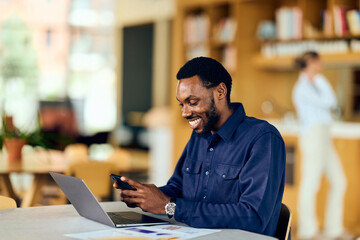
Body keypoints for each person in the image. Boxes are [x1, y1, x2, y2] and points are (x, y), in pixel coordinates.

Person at [113, 57, 286, 237]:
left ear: (220, 92)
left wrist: (169, 207)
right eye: (182, 104)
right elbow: (178, 188)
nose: (185, 113)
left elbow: (253, 217)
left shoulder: (263, 139)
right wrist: (145, 196)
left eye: (193, 102)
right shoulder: (200, 135)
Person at [292, 51, 348, 240]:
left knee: (339, 181)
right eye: (317, 61)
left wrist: (319, 80)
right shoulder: (302, 87)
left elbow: (330, 103)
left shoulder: (316, 83)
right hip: (313, 136)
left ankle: (334, 229)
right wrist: (320, 80)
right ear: (309, 63)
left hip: (324, 136)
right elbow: (330, 102)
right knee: (311, 183)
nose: (321, 64)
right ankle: (308, 231)